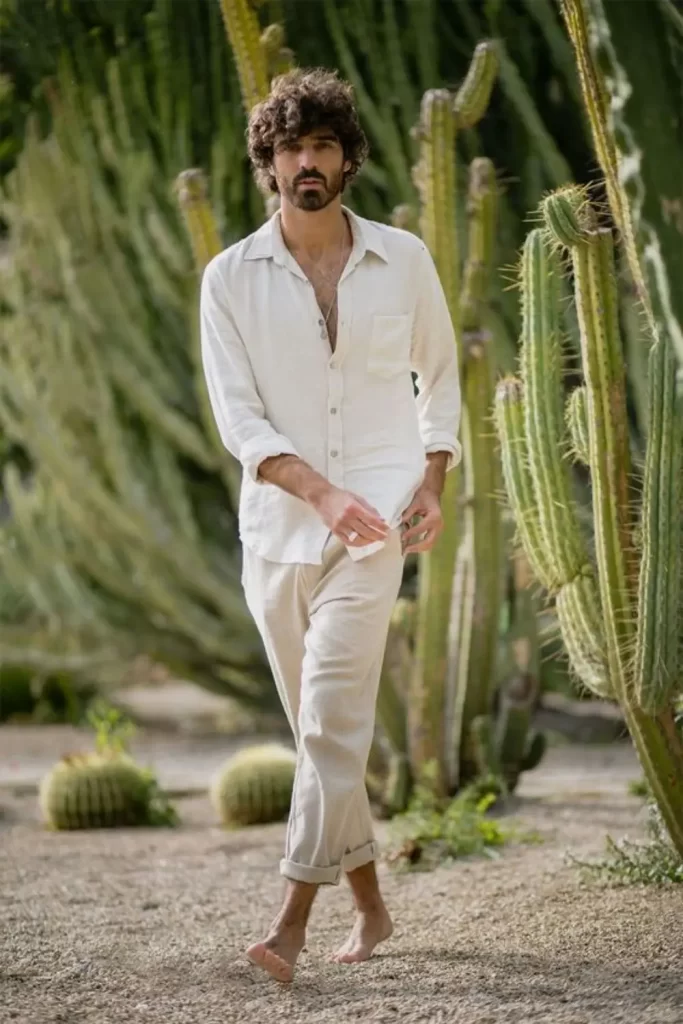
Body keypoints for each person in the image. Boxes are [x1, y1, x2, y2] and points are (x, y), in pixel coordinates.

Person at [199, 66, 461, 983]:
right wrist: (314, 491)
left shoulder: (405, 260)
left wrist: (430, 480)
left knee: (333, 720)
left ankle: (289, 923)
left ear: (349, 157)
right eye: (288, 149)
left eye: (322, 146)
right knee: (321, 732)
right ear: (267, 164)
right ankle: (374, 907)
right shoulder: (228, 279)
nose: (306, 163)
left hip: (375, 523)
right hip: (275, 533)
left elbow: (440, 377)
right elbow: (240, 421)